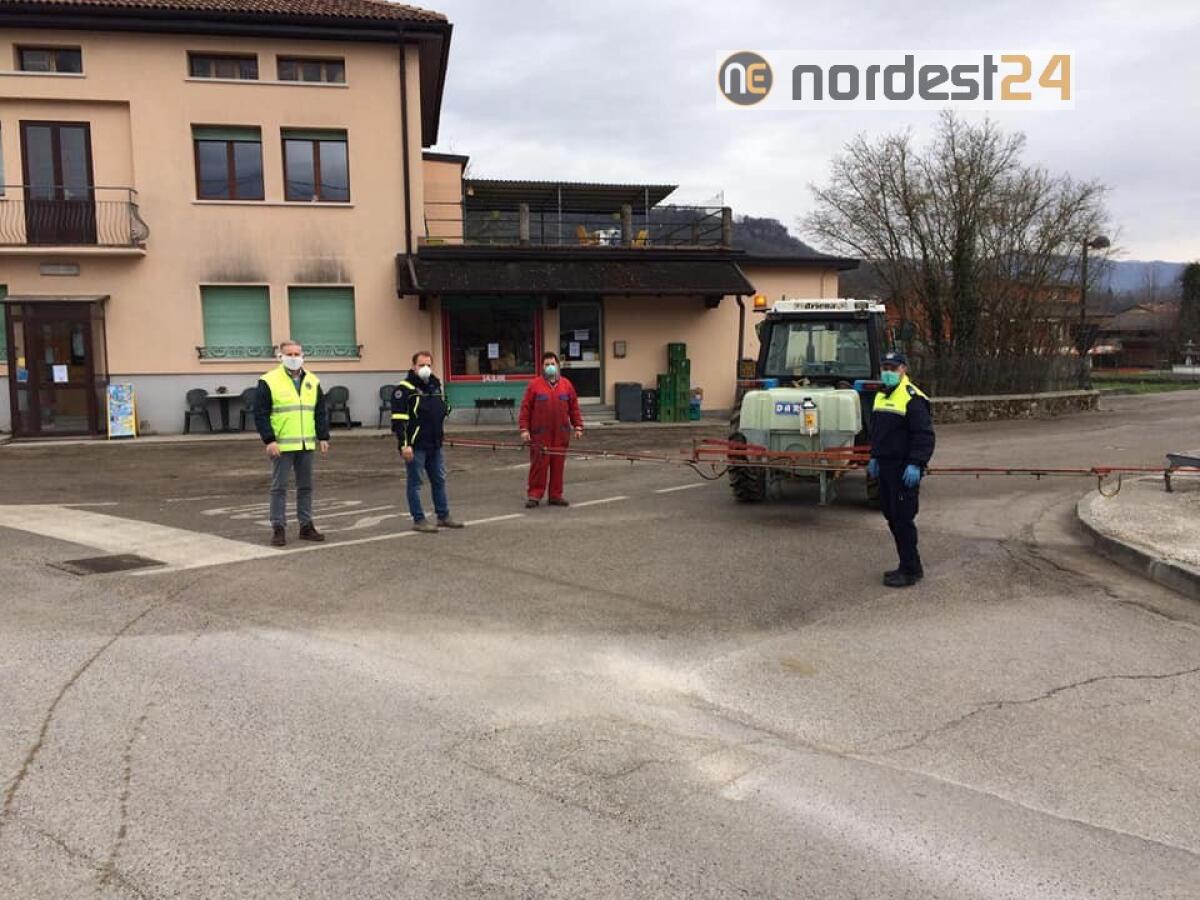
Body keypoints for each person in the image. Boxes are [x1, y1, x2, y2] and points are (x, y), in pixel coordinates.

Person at [866, 350, 935, 587]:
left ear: (903, 369)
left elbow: (924, 435)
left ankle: (911, 570)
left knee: (903, 519)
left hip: (904, 470)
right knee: (892, 517)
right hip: (885, 467)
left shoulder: (912, 398)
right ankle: (905, 564)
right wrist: (874, 456)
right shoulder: (881, 396)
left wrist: (916, 463)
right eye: (884, 368)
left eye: (892, 369)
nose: (887, 372)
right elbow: (878, 432)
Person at [254, 340, 330, 547]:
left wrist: (323, 437)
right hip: (282, 445)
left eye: (297, 353)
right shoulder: (269, 380)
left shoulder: (312, 381)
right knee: (279, 488)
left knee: (305, 487)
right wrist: (269, 440)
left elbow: (319, 411)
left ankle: (306, 526)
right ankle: (278, 528)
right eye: (290, 354)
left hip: (306, 444)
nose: (294, 358)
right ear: (280, 356)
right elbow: (260, 413)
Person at [392, 350, 464, 533]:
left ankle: (443, 516)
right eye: (421, 365)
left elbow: (443, 407)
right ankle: (419, 519)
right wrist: (404, 444)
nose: (425, 368)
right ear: (413, 366)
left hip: (435, 443)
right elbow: (399, 421)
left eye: (428, 365)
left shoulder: (434, 386)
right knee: (415, 483)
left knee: (439, 480)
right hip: (416, 446)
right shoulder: (404, 390)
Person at [519, 351, 583, 508]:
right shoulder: (534, 386)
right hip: (540, 435)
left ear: (558, 366)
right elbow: (525, 409)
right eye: (546, 364)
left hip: (561, 434)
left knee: (558, 465)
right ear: (542, 367)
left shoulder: (566, 385)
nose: (550, 367)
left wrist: (578, 426)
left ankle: (555, 495)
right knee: (538, 466)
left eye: (552, 364)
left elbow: (574, 408)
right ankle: (534, 495)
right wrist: (524, 429)